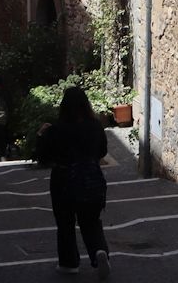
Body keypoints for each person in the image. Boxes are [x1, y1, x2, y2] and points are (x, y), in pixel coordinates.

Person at [36, 86, 111, 278]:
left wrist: (41, 135)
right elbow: (102, 151)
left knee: (65, 223)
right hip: (91, 178)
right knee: (91, 221)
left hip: (63, 180)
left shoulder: (56, 129)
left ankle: (69, 263)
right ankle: (99, 251)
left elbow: (43, 157)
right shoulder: (95, 126)